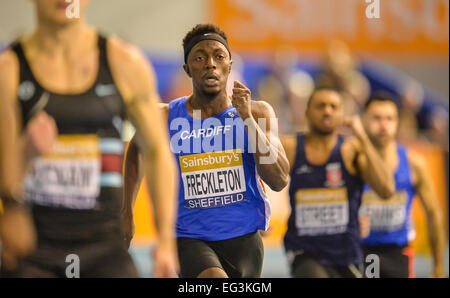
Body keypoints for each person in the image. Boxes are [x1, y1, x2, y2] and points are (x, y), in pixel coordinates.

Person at [0, 0, 178, 277]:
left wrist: (166, 241)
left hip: (105, 249)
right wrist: (13, 202)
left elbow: (156, 151)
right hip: (35, 249)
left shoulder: (125, 64)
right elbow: (6, 166)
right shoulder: (8, 71)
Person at [124, 23, 290, 278]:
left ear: (230, 65)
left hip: (244, 237)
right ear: (187, 69)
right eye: (199, 58)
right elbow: (136, 148)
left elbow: (278, 179)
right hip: (188, 236)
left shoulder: (258, 112)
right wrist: (126, 211)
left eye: (218, 56)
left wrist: (245, 118)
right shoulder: (164, 116)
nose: (210, 63)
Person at [281, 87, 395, 278]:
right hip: (304, 252)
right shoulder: (291, 146)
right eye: (321, 106)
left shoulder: (352, 150)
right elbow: (260, 170)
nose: (327, 111)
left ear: (342, 113)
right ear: (307, 112)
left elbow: (386, 190)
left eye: (334, 107)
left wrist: (363, 137)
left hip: (346, 254)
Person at [360, 92, 446, 278]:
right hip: (360, 251)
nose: (383, 125)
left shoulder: (414, 163)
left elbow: (433, 213)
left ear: (397, 122)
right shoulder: (353, 161)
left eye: (389, 119)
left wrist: (439, 265)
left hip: (398, 254)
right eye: (376, 118)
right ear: (363, 120)